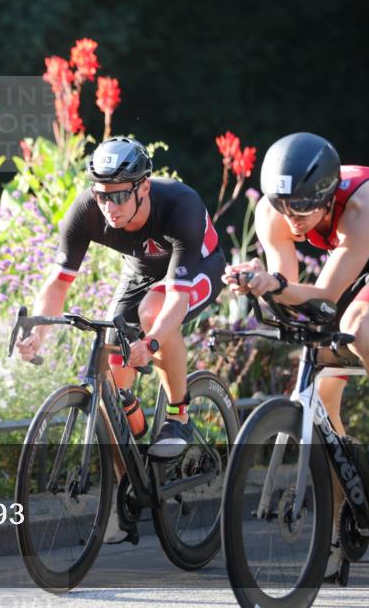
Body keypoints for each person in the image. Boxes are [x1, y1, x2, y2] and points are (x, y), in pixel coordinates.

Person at [223, 131, 369, 577]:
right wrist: (259, 283)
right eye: (283, 207)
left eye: (301, 210)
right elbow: (290, 290)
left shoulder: (363, 204)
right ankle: (342, 519)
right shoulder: (274, 211)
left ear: (326, 196)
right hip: (353, 267)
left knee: (360, 328)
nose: (291, 219)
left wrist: (277, 286)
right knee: (321, 395)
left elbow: (324, 294)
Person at [16, 136, 225, 543]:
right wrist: (38, 333)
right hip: (141, 272)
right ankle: (127, 488)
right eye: (102, 195)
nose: (109, 207)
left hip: (198, 270)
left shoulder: (178, 205)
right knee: (109, 377)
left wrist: (151, 343)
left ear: (143, 187)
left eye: (119, 196)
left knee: (151, 314)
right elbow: (58, 282)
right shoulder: (86, 210)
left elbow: (175, 299)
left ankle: (179, 417)